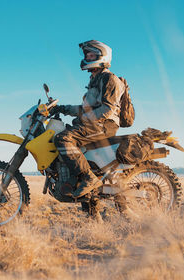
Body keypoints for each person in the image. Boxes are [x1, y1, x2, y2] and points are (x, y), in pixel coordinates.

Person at [53, 40, 126, 198]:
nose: (87, 57)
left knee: (62, 139)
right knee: (81, 154)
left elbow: (108, 109)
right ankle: (93, 212)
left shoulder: (109, 79)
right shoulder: (95, 80)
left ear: (101, 57)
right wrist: (62, 108)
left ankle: (88, 178)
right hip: (96, 123)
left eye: (91, 54)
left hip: (104, 125)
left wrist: (85, 118)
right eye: (87, 54)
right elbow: (85, 109)